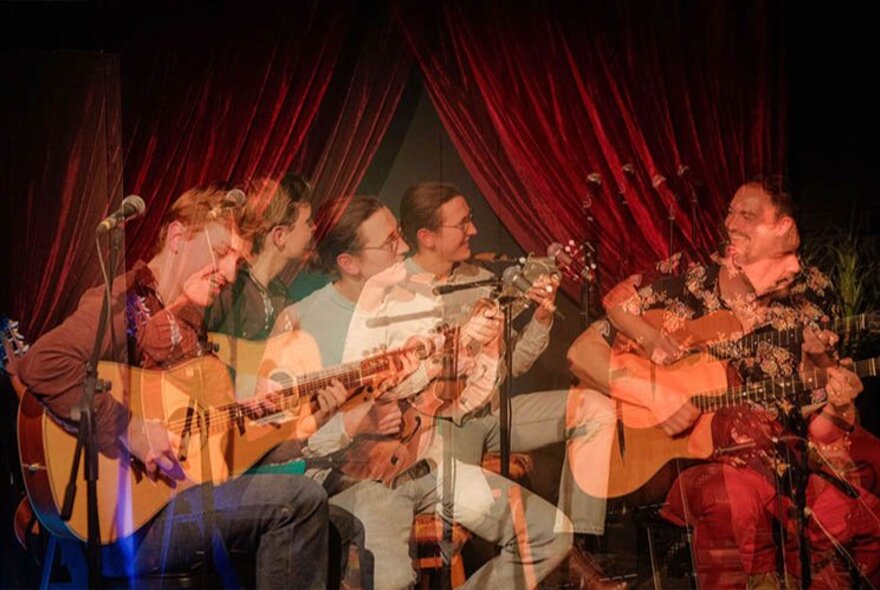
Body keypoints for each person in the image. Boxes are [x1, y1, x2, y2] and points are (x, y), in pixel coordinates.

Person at [14, 184, 331, 588]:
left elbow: (207, 437)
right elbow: (44, 363)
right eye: (221, 254)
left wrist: (290, 421)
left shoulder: (189, 321)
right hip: (132, 522)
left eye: (238, 260)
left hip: (186, 495)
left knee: (330, 513)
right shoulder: (128, 305)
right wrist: (129, 428)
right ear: (178, 238)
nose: (231, 273)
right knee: (300, 502)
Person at [275, 195, 587, 589]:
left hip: (429, 467)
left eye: (400, 236)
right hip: (359, 483)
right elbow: (280, 440)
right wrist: (355, 423)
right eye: (390, 243)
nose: (404, 249)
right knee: (394, 582)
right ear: (348, 263)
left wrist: (470, 357)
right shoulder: (302, 323)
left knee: (551, 533)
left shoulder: (419, 300)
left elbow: (447, 398)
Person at [583, 178, 880, 589]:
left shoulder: (814, 289)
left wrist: (825, 371)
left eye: (749, 215)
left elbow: (823, 388)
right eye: (732, 212)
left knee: (867, 467)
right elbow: (610, 317)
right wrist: (654, 359)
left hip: (793, 436)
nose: (733, 223)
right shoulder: (690, 282)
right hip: (702, 449)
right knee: (733, 495)